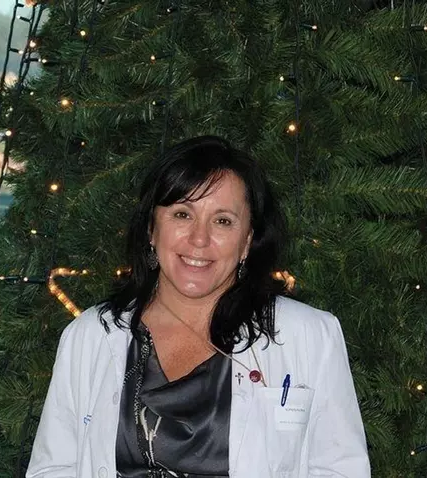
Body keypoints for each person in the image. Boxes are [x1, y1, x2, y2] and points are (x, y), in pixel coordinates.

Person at [26, 135, 370, 477]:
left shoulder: (309, 336)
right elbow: (52, 469)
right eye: (182, 214)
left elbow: (341, 470)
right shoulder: (91, 336)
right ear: (151, 229)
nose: (199, 239)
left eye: (223, 221)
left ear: (247, 241)